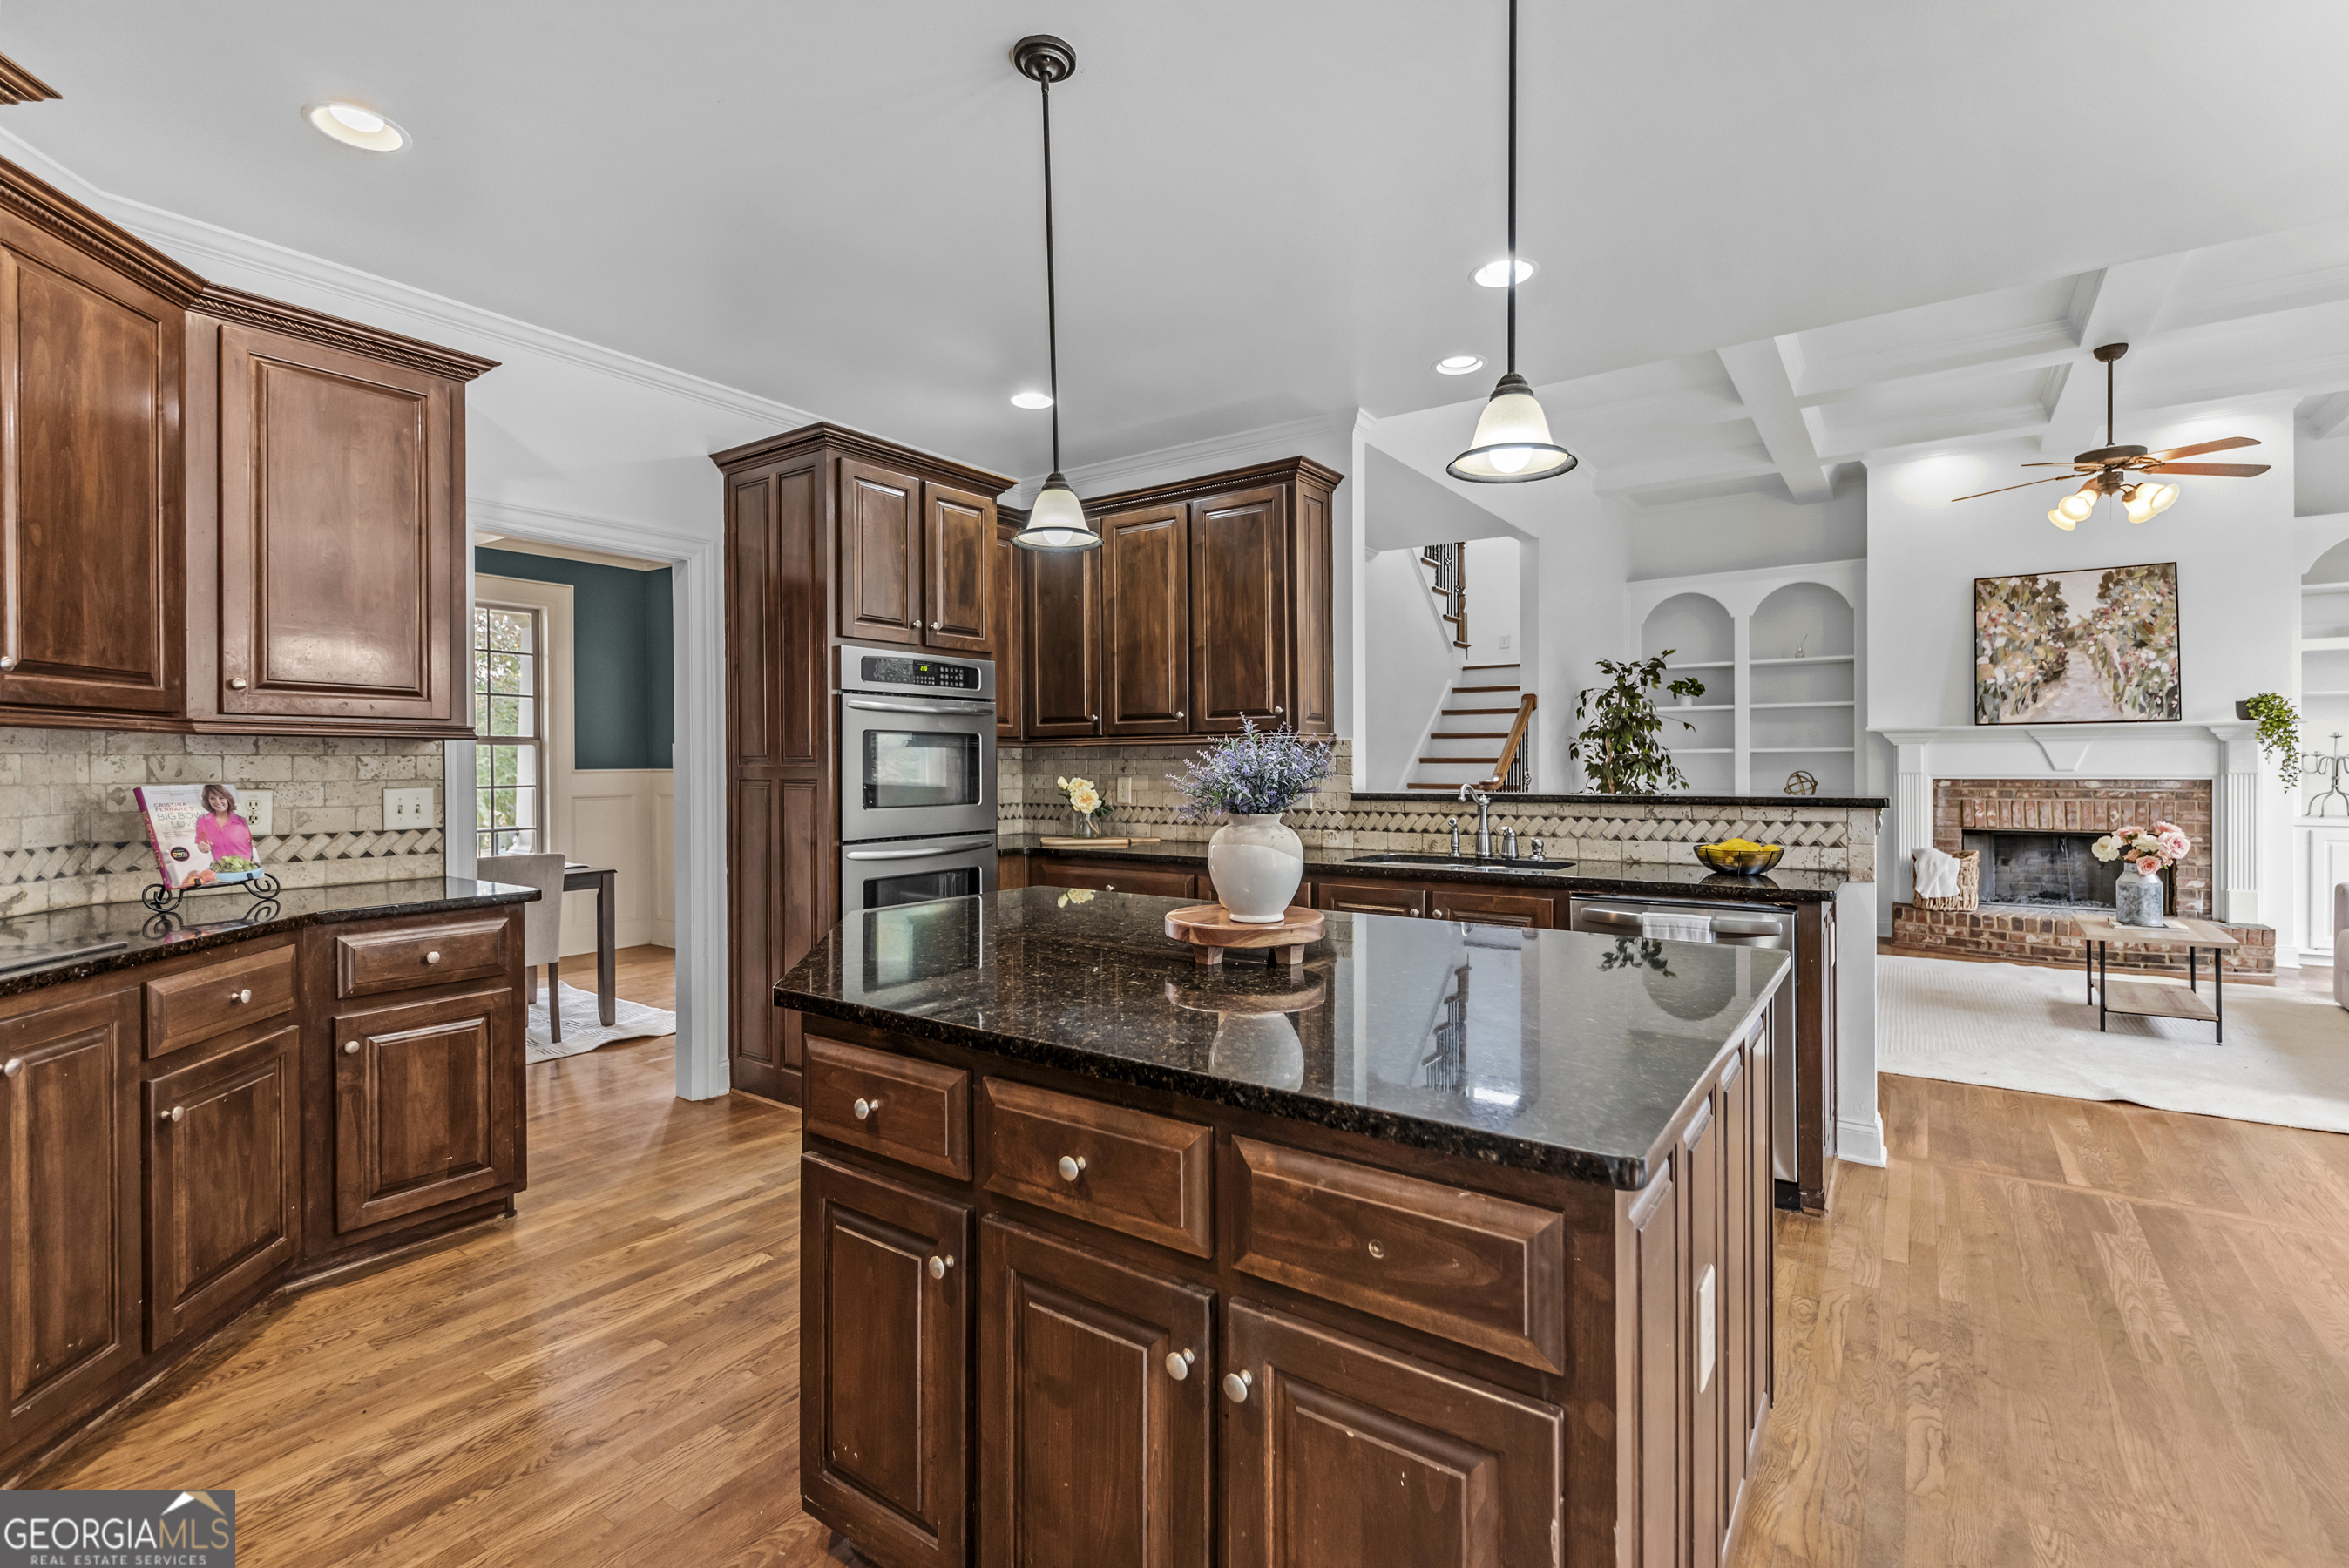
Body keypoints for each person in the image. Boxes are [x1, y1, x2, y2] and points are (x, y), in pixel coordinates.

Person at [193, 783, 259, 872]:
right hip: (221, 870)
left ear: (228, 799)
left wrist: (254, 843)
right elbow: (202, 846)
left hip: (246, 869)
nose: (218, 802)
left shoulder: (242, 821)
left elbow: (252, 844)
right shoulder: (202, 820)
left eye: (221, 798)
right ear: (208, 800)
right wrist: (202, 847)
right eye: (212, 798)